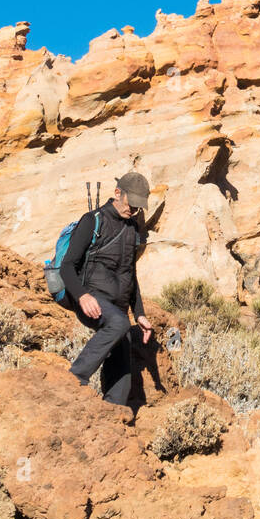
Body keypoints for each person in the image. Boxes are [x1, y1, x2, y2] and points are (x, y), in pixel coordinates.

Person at [60, 172, 153, 408]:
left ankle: (114, 413)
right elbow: (67, 266)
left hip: (118, 307)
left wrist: (139, 313)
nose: (133, 211)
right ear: (117, 193)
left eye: (138, 208)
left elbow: (131, 274)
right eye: (131, 205)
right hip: (91, 300)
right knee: (119, 324)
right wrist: (82, 296)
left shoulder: (132, 229)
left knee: (124, 369)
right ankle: (74, 378)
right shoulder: (93, 220)